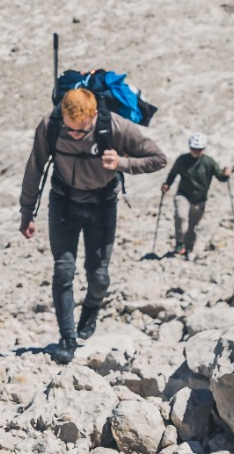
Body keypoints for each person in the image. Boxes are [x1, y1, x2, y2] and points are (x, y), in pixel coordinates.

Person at [18, 88, 167, 363]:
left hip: (102, 205)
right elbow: (35, 167)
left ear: (93, 115)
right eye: (69, 129)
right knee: (63, 270)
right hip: (64, 202)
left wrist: (122, 163)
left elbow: (158, 158)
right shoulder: (51, 125)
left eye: (80, 131)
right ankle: (67, 338)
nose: (74, 135)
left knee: (98, 276)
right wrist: (27, 212)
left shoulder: (115, 127)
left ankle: (90, 311)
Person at [161, 133, 233, 259]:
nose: (195, 151)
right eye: (193, 148)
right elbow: (173, 174)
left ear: (203, 149)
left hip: (200, 199)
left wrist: (226, 174)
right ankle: (179, 243)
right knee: (180, 215)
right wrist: (167, 184)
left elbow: (220, 177)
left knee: (193, 226)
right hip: (183, 195)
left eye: (198, 149)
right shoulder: (182, 160)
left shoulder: (209, 162)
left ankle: (188, 248)